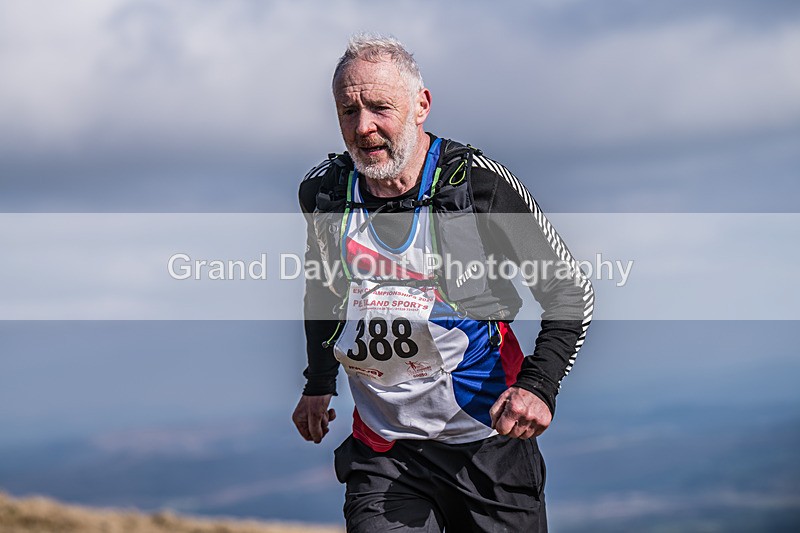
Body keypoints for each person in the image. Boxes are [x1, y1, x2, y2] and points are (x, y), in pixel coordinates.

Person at [292, 34, 593, 532]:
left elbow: (568, 289)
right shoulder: (325, 193)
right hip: (385, 452)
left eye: (379, 107)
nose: (363, 127)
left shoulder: (476, 184)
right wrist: (318, 382)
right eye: (348, 111)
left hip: (486, 438)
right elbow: (324, 291)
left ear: (420, 106)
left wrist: (539, 387)